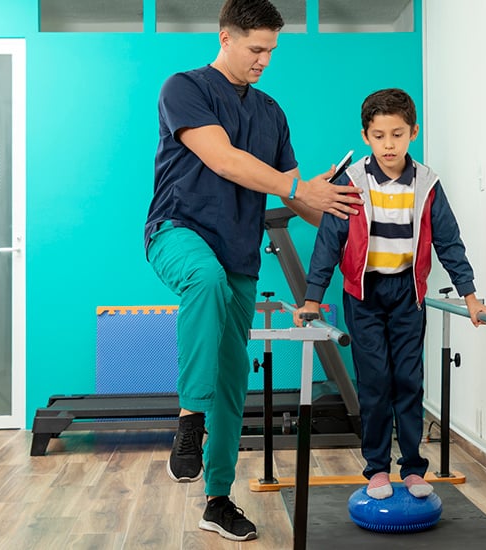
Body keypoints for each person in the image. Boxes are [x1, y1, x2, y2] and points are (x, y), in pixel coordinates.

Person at [143, 0, 363, 542]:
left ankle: (217, 500)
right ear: (225, 38)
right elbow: (222, 159)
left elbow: (297, 196)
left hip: (238, 251)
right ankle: (190, 419)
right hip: (178, 230)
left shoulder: (270, 112)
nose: (264, 59)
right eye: (256, 49)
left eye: (271, 51)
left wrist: (353, 215)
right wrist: (298, 187)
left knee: (233, 375)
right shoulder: (184, 88)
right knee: (205, 280)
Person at [294, 88, 486, 500]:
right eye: (379, 136)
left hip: (407, 293)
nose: (388, 145)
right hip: (363, 293)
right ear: (365, 136)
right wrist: (312, 298)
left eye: (397, 135)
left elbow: (449, 242)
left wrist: (470, 296)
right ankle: (378, 469)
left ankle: (414, 468)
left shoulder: (427, 184)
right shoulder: (351, 182)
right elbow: (329, 242)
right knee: (375, 380)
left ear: (413, 133)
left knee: (408, 379)